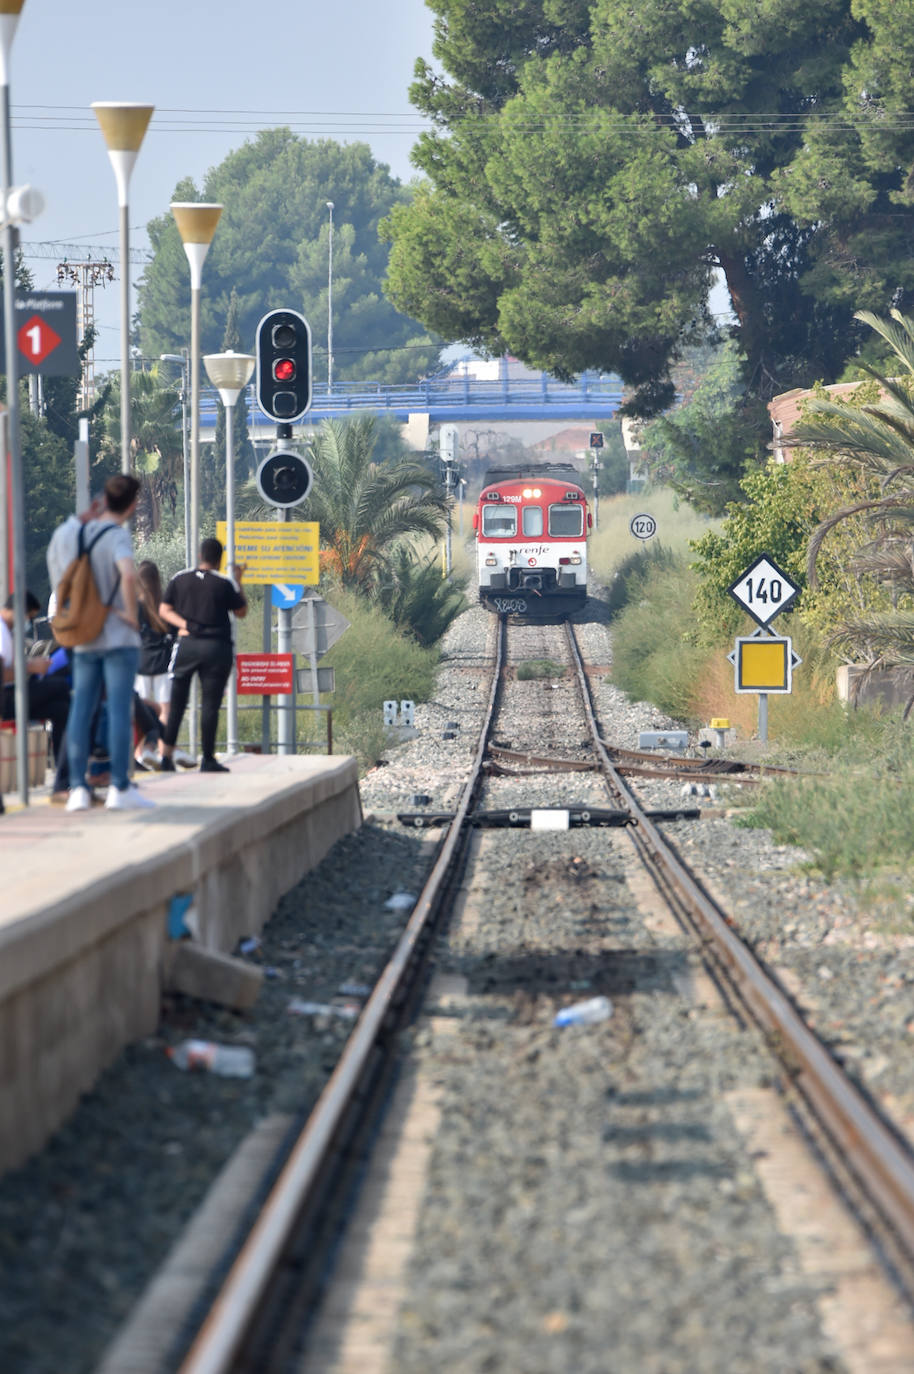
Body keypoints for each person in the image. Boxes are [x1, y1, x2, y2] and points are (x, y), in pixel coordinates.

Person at [47, 472, 155, 813]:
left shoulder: (78, 534)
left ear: (104, 499)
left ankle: (77, 788)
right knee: (120, 708)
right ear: (133, 505)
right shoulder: (116, 537)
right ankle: (120, 788)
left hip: (84, 636)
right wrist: (128, 613)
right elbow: (127, 574)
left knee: (82, 708)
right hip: (117, 639)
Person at [159, 537, 247, 773]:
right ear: (220, 560)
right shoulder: (224, 583)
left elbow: (164, 610)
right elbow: (241, 611)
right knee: (210, 704)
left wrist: (184, 623)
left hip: (187, 646)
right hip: (217, 649)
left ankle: (165, 758)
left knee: (177, 704)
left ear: (200, 556)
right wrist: (239, 581)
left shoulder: (180, 579)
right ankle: (207, 758)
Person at [0, 590, 72, 779]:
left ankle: (63, 773)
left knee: (61, 709)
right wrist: (31, 666)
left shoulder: (8, 632)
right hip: (6, 700)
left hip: (13, 694)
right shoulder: (1, 632)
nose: (27, 623)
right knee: (60, 687)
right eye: (29, 617)